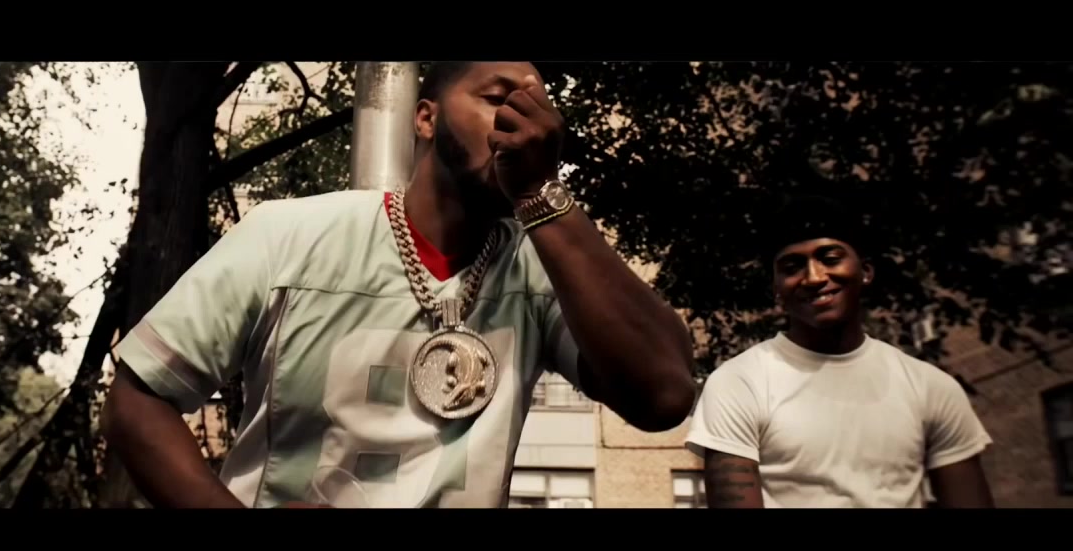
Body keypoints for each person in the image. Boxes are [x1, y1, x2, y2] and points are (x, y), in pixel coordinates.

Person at [101, 61, 696, 508]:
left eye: (539, 109)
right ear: (426, 117)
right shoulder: (287, 236)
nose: (524, 125)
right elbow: (137, 402)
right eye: (498, 100)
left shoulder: (543, 270)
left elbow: (665, 397)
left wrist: (542, 194)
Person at [684, 195, 995, 508]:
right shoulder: (739, 383)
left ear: (865, 271)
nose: (814, 277)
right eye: (792, 267)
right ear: (776, 290)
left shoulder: (930, 386)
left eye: (830, 259)